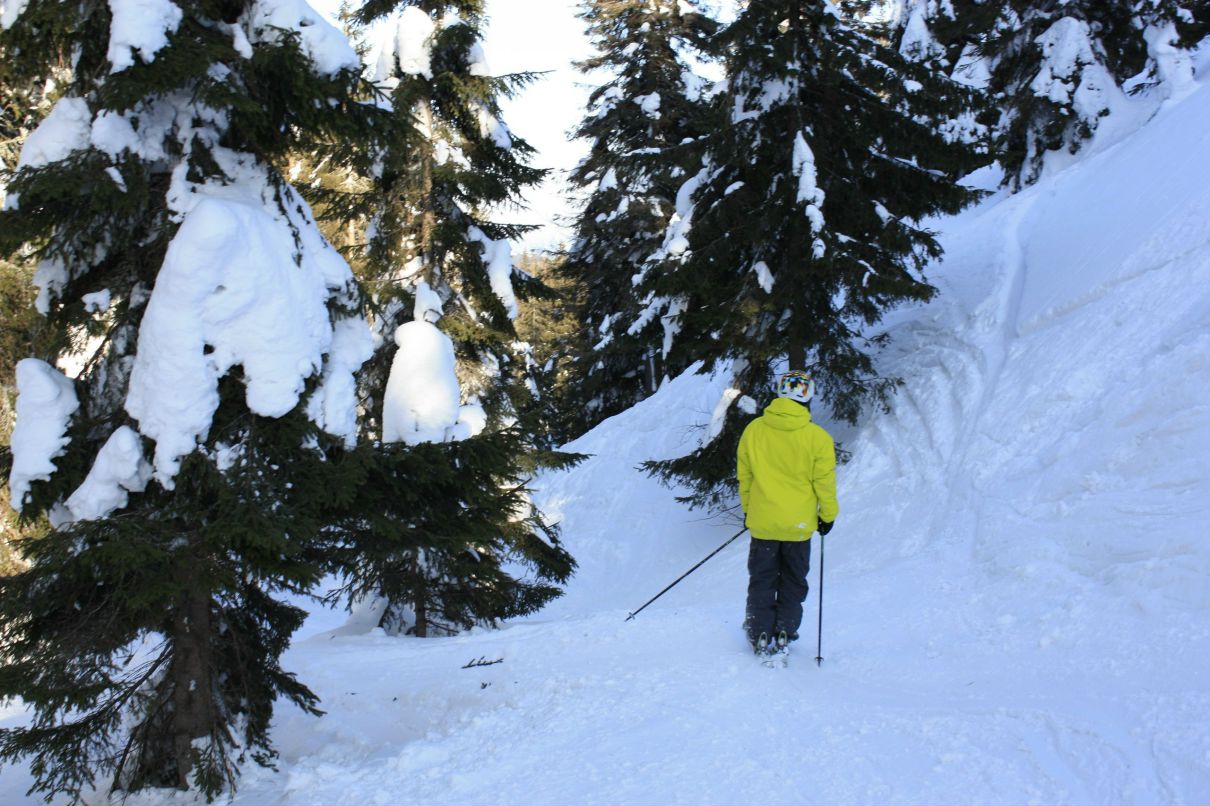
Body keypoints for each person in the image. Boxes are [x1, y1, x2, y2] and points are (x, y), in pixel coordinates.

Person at [737, 369, 839, 656]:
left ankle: (759, 631)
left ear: (780, 392)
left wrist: (749, 509)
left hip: (764, 523)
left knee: (762, 578)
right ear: (808, 397)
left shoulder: (754, 430)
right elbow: (824, 482)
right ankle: (785, 628)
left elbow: (745, 476)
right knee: (794, 579)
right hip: (798, 525)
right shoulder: (817, 437)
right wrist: (828, 515)